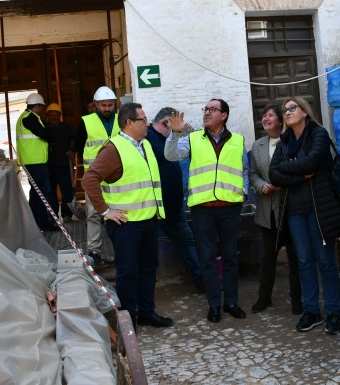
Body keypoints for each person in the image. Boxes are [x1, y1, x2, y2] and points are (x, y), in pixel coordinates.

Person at [81, 102, 173, 329]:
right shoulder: (114, 149)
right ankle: (129, 319)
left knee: (148, 269)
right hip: (126, 225)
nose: (148, 124)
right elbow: (88, 179)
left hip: (148, 220)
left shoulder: (145, 145)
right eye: (143, 120)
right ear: (129, 123)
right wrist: (105, 211)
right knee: (128, 272)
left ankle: (147, 312)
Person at [165, 98, 249, 323]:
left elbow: (244, 169)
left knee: (230, 257)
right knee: (208, 259)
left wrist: (245, 193)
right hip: (203, 209)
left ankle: (231, 301)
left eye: (213, 109)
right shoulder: (192, 138)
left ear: (224, 115)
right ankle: (214, 304)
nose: (207, 113)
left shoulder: (238, 141)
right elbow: (171, 155)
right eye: (206, 109)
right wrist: (174, 134)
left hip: (230, 208)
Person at [269, 96, 340, 334]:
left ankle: (333, 311)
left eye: (292, 108)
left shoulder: (318, 134)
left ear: (304, 111)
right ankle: (311, 310)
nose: (288, 112)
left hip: (319, 209)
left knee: (325, 261)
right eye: (285, 110)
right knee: (303, 261)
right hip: (294, 212)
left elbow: (313, 161)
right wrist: (300, 176)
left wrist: (288, 168)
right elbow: (274, 174)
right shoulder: (283, 143)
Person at [249, 104, 302, 315]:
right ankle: (264, 298)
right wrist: (262, 186)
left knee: (295, 256)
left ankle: (297, 300)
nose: (265, 118)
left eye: (270, 115)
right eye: (263, 115)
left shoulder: (292, 141)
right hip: (267, 210)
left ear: (280, 120)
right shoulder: (258, 145)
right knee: (267, 256)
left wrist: (284, 182)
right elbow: (253, 173)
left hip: (290, 208)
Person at [146, 106, 205, 292]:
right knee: (149, 248)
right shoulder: (147, 139)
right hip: (152, 207)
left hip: (172, 206)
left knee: (187, 241)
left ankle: (201, 281)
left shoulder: (164, 138)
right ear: (165, 123)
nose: (174, 133)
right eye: (173, 128)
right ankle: (149, 288)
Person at [75, 86, 120, 265]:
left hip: (118, 176)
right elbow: (79, 147)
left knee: (118, 214)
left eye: (110, 105)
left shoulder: (122, 120)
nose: (107, 108)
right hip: (94, 177)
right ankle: (95, 252)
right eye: (104, 105)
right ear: (96, 105)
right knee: (93, 214)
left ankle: (121, 250)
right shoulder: (85, 122)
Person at [15, 92, 55, 231]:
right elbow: (44, 134)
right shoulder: (30, 118)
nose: (43, 110)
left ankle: (35, 222)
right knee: (42, 192)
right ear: (37, 106)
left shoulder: (23, 117)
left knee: (36, 192)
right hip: (36, 162)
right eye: (42, 107)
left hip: (30, 161)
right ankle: (43, 222)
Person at [45, 103, 81, 224]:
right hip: (48, 165)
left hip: (64, 164)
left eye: (56, 115)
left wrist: (73, 150)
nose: (53, 117)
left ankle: (67, 215)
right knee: (51, 192)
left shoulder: (66, 127)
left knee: (67, 191)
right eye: (51, 115)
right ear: (47, 116)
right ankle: (53, 215)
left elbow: (77, 139)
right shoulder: (44, 129)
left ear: (59, 116)